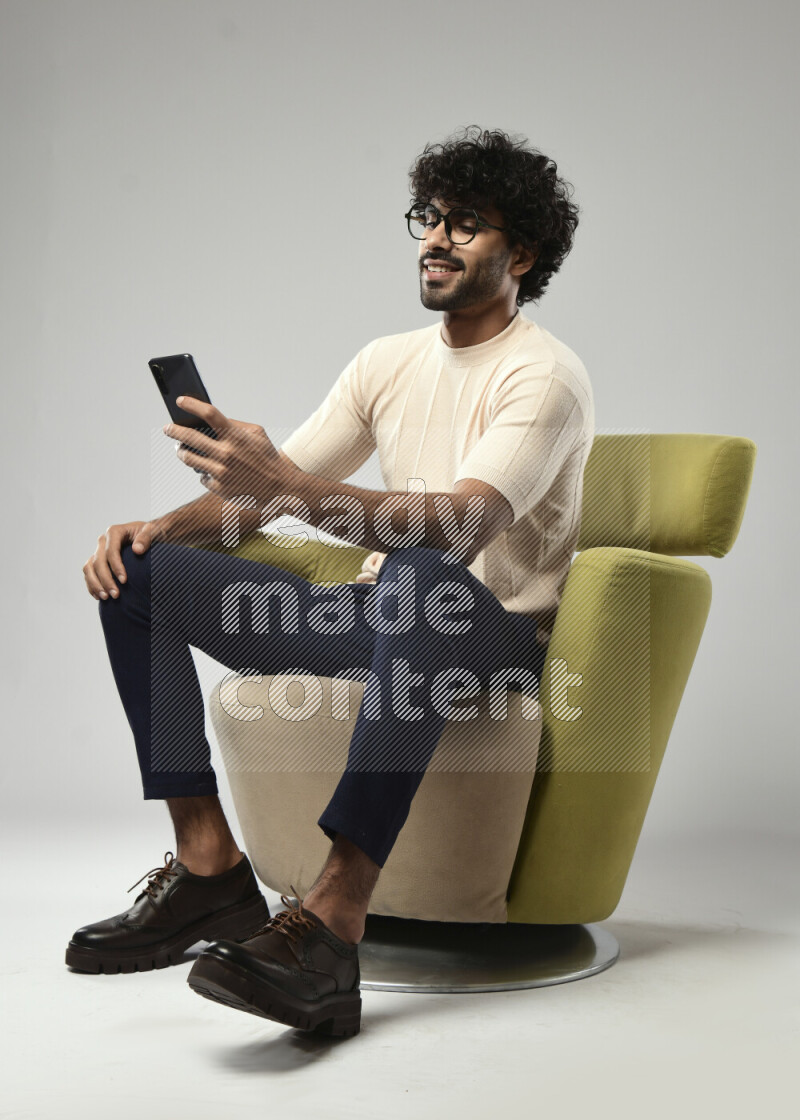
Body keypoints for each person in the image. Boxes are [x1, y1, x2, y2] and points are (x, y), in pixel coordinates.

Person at [67, 125, 594, 1039]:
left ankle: (332, 920)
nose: (436, 238)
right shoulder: (386, 362)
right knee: (142, 575)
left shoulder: (545, 378)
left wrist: (291, 488)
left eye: (466, 224)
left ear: (525, 252)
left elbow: (459, 527)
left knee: (421, 572)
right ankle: (209, 872)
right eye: (429, 218)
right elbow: (260, 504)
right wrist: (155, 530)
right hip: (380, 613)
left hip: (492, 634)